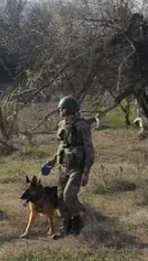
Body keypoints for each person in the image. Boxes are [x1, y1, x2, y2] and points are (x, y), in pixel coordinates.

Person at [43, 95, 95, 239]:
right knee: (60, 198)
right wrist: (52, 162)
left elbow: (89, 149)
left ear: (70, 109)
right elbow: (62, 146)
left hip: (77, 168)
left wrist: (86, 172)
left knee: (69, 195)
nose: (60, 110)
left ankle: (78, 222)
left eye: (62, 108)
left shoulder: (81, 125)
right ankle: (67, 227)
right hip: (64, 166)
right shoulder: (62, 124)